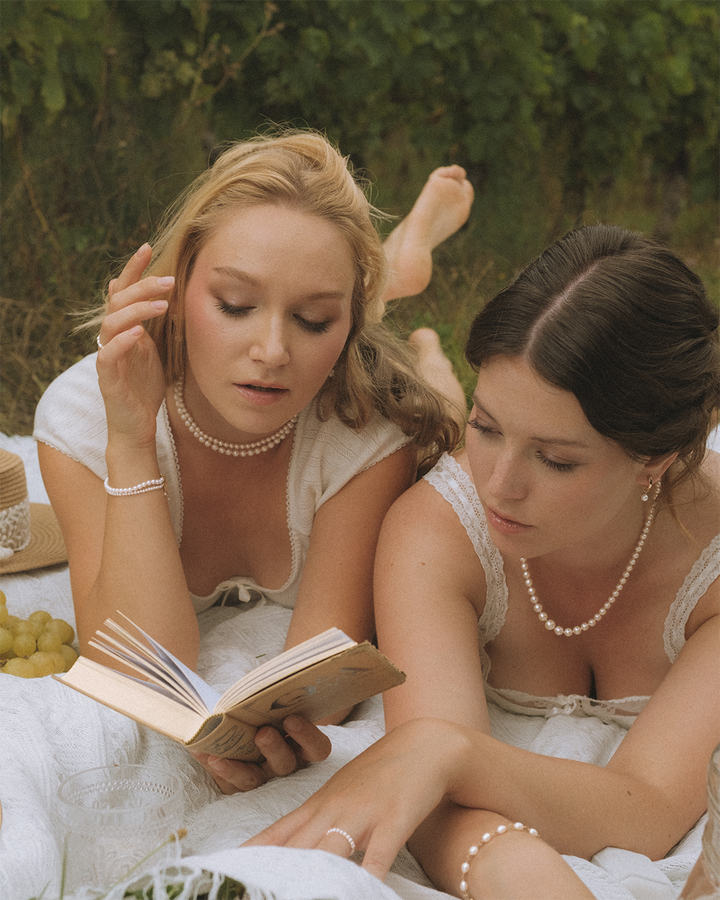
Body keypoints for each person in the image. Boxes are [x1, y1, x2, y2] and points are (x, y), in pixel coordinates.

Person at [245, 223, 720, 900]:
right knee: (435, 411)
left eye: (556, 460)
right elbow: (428, 797)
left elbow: (644, 805)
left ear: (655, 458)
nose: (497, 485)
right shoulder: (438, 525)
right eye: (488, 427)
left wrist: (450, 749)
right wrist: (504, 863)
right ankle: (434, 360)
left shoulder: (712, 566)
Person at [32, 130, 472, 794]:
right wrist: (129, 441)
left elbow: (325, 680)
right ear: (174, 292)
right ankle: (397, 265)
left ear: (349, 326)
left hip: (377, 387)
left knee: (447, 414)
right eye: (235, 306)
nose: (270, 351)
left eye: (317, 321)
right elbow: (140, 664)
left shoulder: (369, 434)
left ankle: (416, 317)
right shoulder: (82, 418)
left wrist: (269, 733)